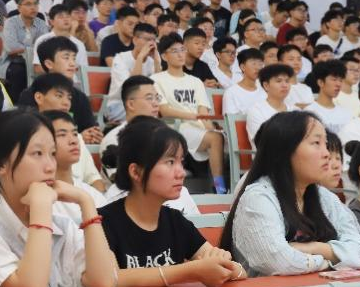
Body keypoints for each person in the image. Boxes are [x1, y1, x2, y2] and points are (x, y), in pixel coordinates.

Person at [0, 109, 117, 287]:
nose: (50, 166)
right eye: (37, 153)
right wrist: (41, 209)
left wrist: (86, 202)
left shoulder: (61, 222)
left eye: (52, 153)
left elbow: (104, 281)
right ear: (0, 164)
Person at [221, 111, 360, 276]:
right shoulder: (258, 197)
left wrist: (314, 248)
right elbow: (279, 262)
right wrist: (330, 261)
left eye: (325, 144)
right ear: (285, 150)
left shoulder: (325, 197)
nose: (327, 154)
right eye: (316, 143)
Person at [97, 119, 243, 286]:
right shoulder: (103, 222)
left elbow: (239, 272)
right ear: (136, 172)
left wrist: (225, 262)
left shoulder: (175, 220)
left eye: (181, 162)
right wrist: (190, 270)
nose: (181, 173)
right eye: (170, 162)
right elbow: (110, 278)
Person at [152, 33, 227, 194]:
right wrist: (192, 116)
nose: (180, 54)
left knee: (221, 137)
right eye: (175, 51)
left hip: (197, 128)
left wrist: (211, 128)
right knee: (215, 139)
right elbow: (164, 110)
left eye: (182, 50)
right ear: (164, 56)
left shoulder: (195, 81)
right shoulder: (157, 79)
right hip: (174, 127)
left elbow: (203, 112)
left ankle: (221, 185)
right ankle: (220, 188)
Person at [26, 73, 106, 191]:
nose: (66, 103)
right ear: (39, 98)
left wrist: (99, 199)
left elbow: (94, 178)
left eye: (69, 98)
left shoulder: (76, 138)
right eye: (59, 96)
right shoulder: (28, 135)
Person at [106, 22, 159, 123]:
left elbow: (158, 87)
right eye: (147, 39)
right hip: (119, 105)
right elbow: (131, 88)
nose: (151, 44)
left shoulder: (152, 62)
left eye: (153, 40)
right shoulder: (120, 58)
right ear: (134, 40)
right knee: (147, 113)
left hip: (145, 104)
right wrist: (140, 58)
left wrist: (157, 62)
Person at [0, 0, 49, 94]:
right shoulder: (10, 23)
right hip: (13, 62)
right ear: (19, 7)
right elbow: (12, 48)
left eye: (35, 4)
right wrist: (32, 49)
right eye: (28, 4)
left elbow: (44, 47)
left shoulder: (42, 24)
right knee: (19, 72)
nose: (33, 7)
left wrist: (27, 50)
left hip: (36, 63)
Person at [31, 3, 88, 75]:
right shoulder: (43, 40)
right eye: (61, 17)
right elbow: (38, 68)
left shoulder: (79, 44)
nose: (65, 19)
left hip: (73, 79)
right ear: (51, 22)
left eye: (68, 16)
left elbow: (83, 69)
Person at [246, 63, 294, 147]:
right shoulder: (257, 111)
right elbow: (263, 142)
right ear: (266, 85)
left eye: (287, 81)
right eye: (279, 81)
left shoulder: (295, 110)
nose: (285, 85)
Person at [304, 60, 352, 135]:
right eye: (334, 79)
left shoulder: (346, 113)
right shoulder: (309, 112)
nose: (338, 84)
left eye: (340, 80)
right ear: (320, 82)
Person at [222, 48, 265, 116]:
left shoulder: (265, 89)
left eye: (260, 64)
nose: (258, 68)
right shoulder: (231, 93)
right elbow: (231, 120)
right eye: (254, 64)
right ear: (243, 67)